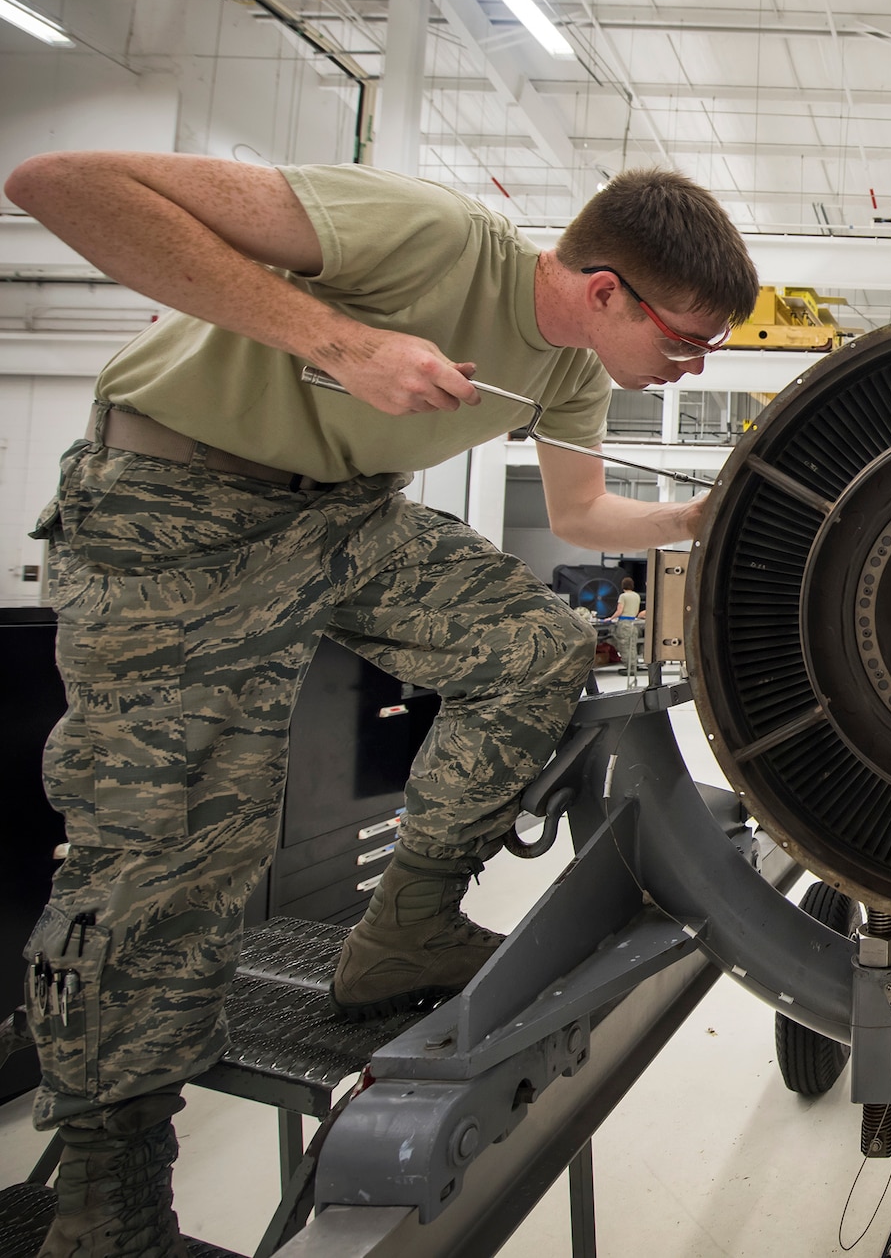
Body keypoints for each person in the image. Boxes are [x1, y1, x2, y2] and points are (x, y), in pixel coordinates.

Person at [6, 151, 758, 1258]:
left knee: (533, 645)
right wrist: (342, 342)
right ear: (606, 292)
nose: (689, 367)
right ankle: (105, 1205)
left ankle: (402, 930)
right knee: (162, 866)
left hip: (341, 519)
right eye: (682, 340)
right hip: (174, 507)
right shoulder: (429, 235)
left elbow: (586, 514)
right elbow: (57, 184)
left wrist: (707, 515)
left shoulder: (574, 369)